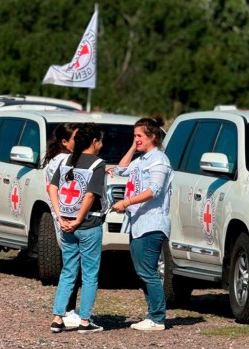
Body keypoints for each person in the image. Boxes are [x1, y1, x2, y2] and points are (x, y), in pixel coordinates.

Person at [112, 116, 173, 331]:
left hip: (152, 222)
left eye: (139, 136)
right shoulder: (142, 159)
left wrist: (126, 202)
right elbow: (120, 170)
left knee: (148, 271)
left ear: (153, 137)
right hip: (137, 223)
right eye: (134, 136)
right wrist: (133, 146)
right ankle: (152, 313)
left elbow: (154, 190)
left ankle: (157, 317)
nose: (136, 139)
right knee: (141, 271)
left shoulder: (159, 161)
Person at [48, 122, 107, 334]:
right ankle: (84, 320)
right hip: (88, 224)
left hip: (66, 223)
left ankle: (57, 317)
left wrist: (60, 216)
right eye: (100, 140)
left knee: (68, 271)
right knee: (90, 274)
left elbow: (53, 188)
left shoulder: (65, 160)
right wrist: (79, 220)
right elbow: (90, 195)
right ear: (94, 142)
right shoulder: (98, 164)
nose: (101, 144)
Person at [43, 122, 81, 328]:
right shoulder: (67, 161)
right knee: (73, 267)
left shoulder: (54, 161)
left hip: (60, 216)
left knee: (70, 265)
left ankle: (67, 310)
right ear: (65, 142)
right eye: (77, 138)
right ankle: (67, 311)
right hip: (68, 218)